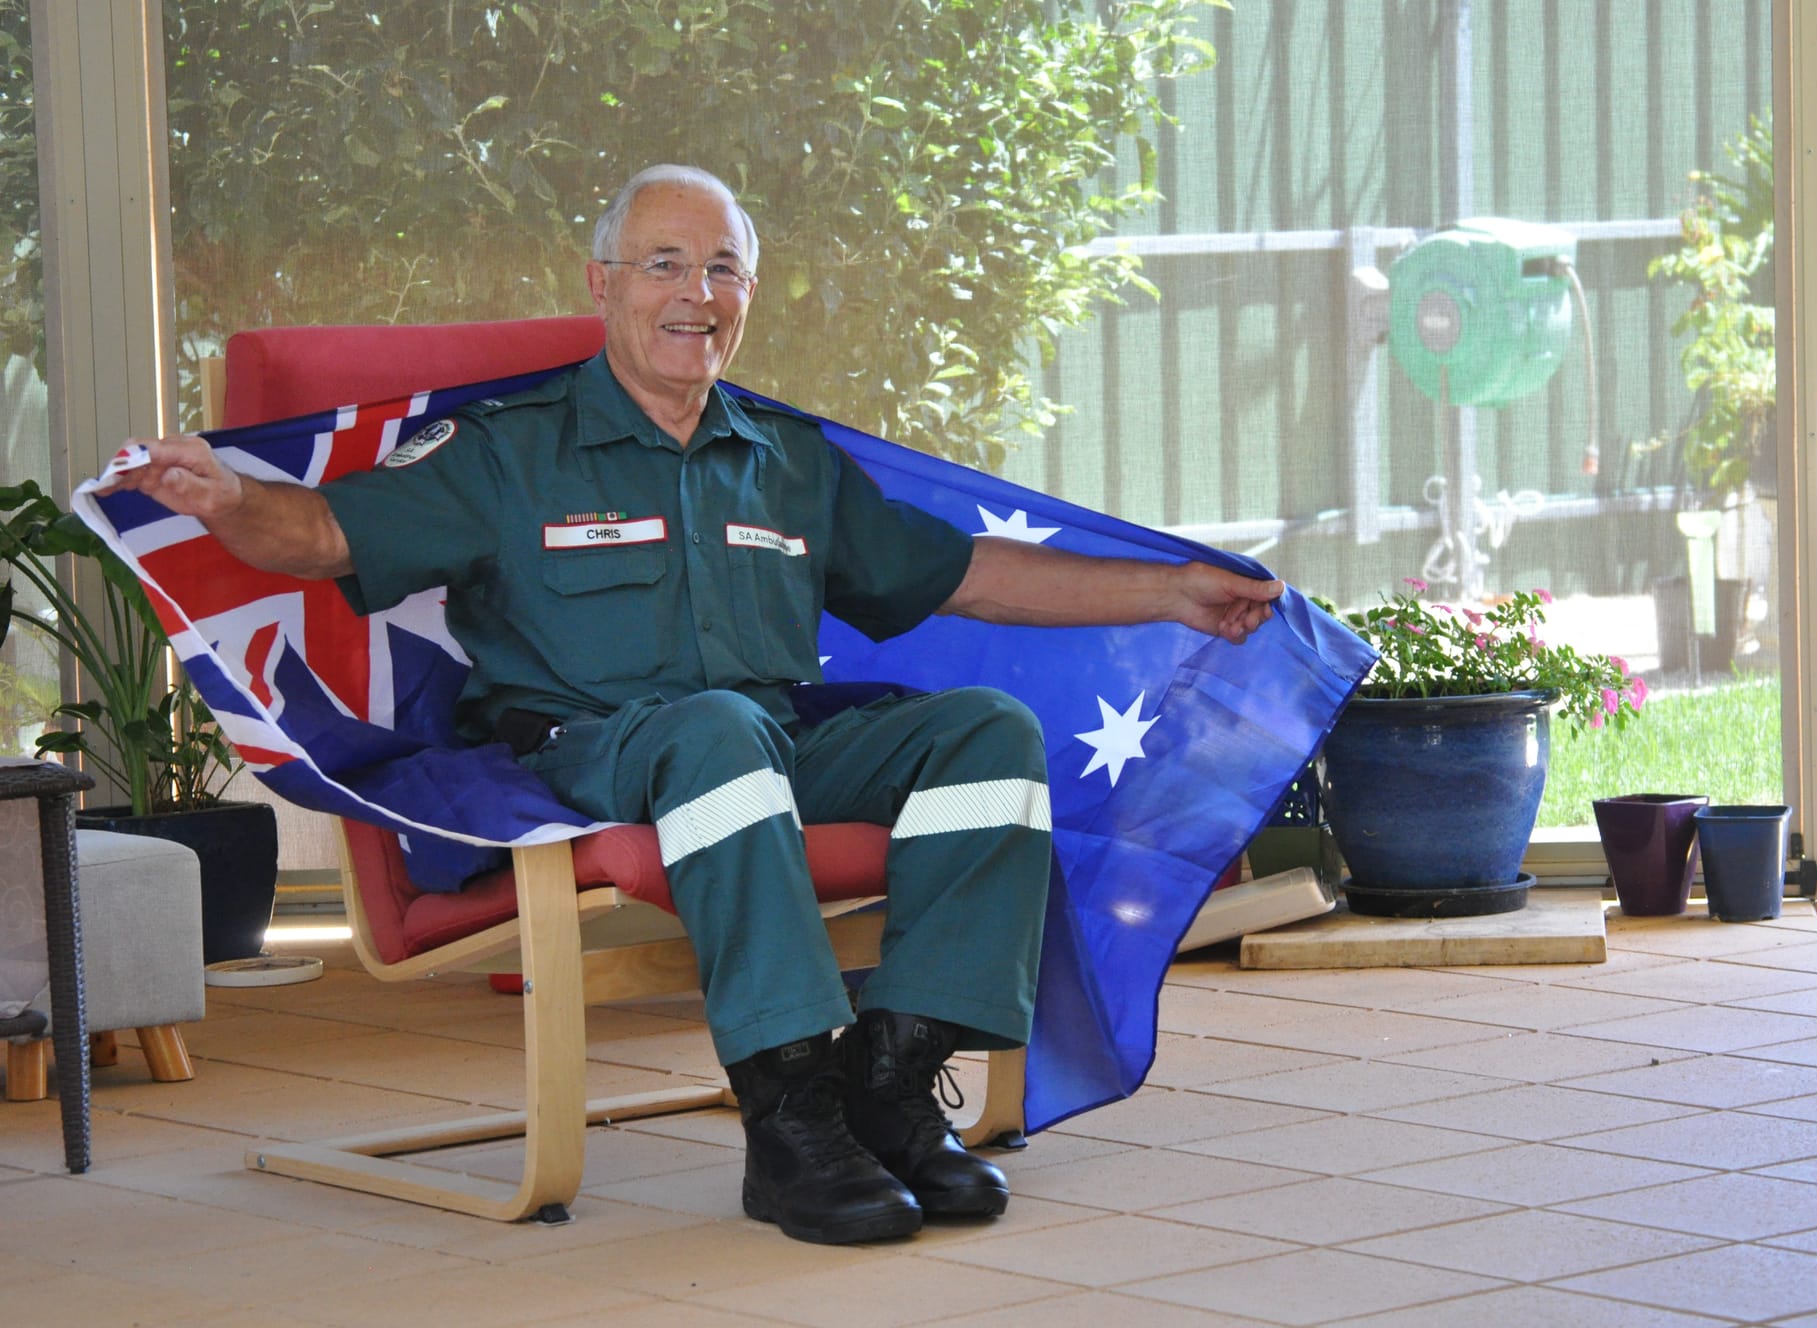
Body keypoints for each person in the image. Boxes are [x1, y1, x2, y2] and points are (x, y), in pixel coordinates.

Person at [106, 164, 1281, 1245]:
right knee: (716, 731)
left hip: (761, 745)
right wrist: (226, 497)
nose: (695, 293)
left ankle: (888, 1082)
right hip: (591, 750)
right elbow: (321, 534)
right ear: (602, 285)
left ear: (748, 293)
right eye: (664, 264)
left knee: (986, 731)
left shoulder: (785, 456)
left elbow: (961, 570)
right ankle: (786, 1117)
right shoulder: (508, 452)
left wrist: (1168, 591)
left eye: (720, 269)